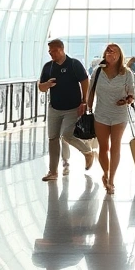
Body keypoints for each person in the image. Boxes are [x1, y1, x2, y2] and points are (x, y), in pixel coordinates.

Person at [38, 39, 97, 182]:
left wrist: (85, 102)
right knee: (53, 138)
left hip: (73, 108)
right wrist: (46, 84)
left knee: (67, 135)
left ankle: (87, 152)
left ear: (61, 49)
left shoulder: (73, 64)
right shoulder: (48, 67)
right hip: (54, 108)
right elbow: (41, 87)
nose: (51, 54)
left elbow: (85, 82)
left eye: (54, 51)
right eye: (50, 51)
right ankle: (53, 172)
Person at [88, 43, 135, 196]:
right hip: (101, 113)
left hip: (119, 114)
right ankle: (105, 173)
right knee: (104, 147)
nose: (110, 53)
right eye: (108, 51)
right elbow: (91, 91)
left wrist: (127, 100)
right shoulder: (98, 71)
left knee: (115, 146)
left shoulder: (127, 73)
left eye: (114, 51)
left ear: (119, 55)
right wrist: (87, 107)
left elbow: (132, 95)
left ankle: (111, 179)